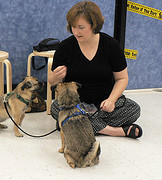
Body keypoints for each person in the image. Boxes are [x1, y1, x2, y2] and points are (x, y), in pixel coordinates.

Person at [48, 1, 142, 139]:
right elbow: (51, 81)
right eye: (73, 27)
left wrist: (111, 100)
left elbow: (122, 78)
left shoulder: (110, 45)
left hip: (104, 104)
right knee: (56, 108)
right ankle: (114, 131)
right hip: (76, 104)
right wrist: (56, 77)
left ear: (94, 25)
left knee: (133, 109)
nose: (76, 31)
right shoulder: (65, 47)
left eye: (81, 27)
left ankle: (79, 125)